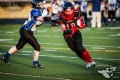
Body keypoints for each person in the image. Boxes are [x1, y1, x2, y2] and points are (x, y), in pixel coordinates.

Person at [1, 0, 51, 68]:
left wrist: (55, 19)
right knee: (37, 47)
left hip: (28, 31)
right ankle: (35, 63)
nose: (43, 5)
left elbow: (48, 15)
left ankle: (5, 56)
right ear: (37, 5)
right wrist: (51, 18)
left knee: (19, 46)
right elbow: (40, 18)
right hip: (26, 31)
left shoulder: (44, 10)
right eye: (41, 4)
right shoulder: (34, 11)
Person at [57, 2, 96, 68]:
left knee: (80, 47)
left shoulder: (76, 13)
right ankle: (88, 61)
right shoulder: (61, 16)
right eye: (67, 11)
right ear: (64, 10)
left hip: (76, 33)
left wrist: (77, 27)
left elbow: (81, 25)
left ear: (72, 9)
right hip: (67, 36)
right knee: (76, 50)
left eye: (70, 11)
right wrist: (66, 30)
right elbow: (63, 27)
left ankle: (91, 61)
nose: (68, 12)